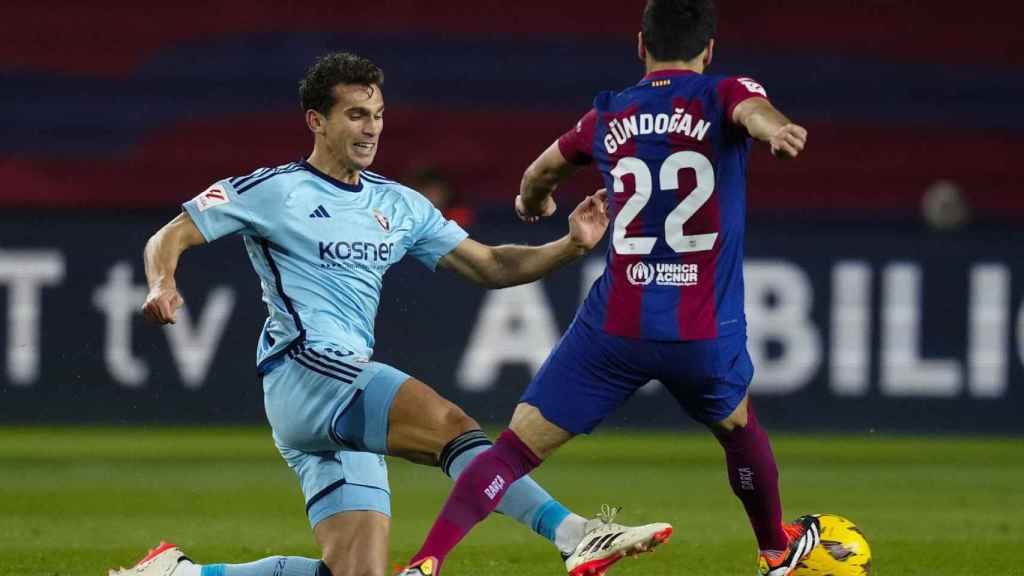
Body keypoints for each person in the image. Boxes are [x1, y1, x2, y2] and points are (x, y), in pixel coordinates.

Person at [108, 52, 670, 576]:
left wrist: (570, 247)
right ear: (316, 121)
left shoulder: (397, 203)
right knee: (453, 428)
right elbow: (172, 233)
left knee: (355, 572)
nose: (371, 127)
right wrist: (162, 282)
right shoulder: (274, 190)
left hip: (337, 386)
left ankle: (182, 573)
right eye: (355, 114)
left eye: (376, 114)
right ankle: (575, 535)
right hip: (305, 368)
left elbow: (491, 265)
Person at [398, 1, 822, 575]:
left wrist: (533, 204)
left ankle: (426, 562)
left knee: (514, 449)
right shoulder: (721, 93)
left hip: (616, 324)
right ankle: (775, 547)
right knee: (738, 429)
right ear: (710, 49)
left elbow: (539, 172)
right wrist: (777, 131)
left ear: (640, 46)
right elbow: (753, 111)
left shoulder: (608, 115)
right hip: (700, 328)